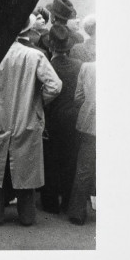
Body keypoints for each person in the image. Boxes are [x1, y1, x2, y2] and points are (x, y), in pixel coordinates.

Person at [0, 15, 63, 227]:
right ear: (27, 31)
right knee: (26, 166)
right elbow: (55, 86)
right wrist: (38, 102)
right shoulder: (35, 56)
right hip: (26, 117)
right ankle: (27, 215)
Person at [39, 24, 84, 215]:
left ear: (51, 47)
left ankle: (50, 203)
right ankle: (67, 200)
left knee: (50, 161)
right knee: (70, 161)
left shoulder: (48, 67)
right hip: (73, 119)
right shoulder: (79, 65)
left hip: (51, 120)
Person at [67, 62, 96, 225]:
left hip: (90, 122)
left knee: (84, 168)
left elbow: (78, 97)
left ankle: (77, 212)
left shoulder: (87, 67)